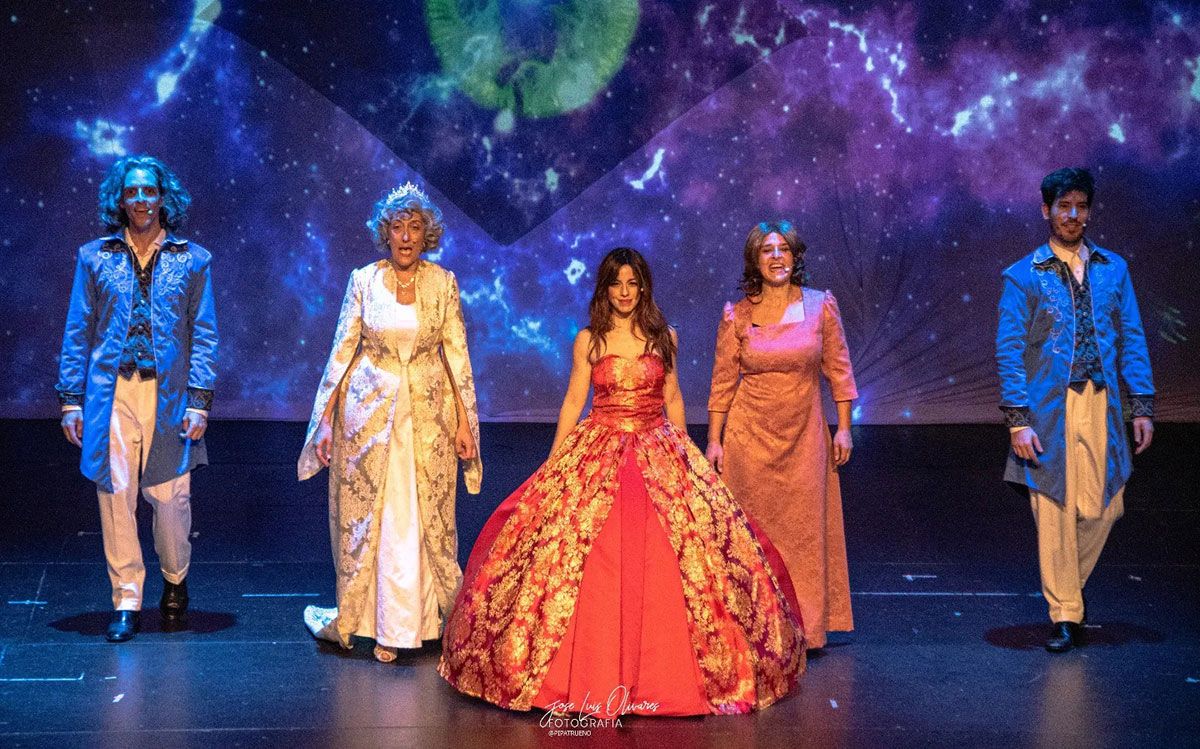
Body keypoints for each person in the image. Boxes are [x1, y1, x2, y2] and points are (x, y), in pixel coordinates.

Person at [439, 248, 802, 717]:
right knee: (581, 551)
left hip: (658, 446)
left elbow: (673, 398)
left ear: (643, 287)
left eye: (633, 283)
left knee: (681, 553)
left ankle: (670, 673)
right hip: (600, 446)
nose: (625, 292)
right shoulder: (589, 340)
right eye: (617, 283)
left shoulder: (664, 337)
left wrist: (689, 460)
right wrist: (554, 464)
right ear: (605, 289)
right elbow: (574, 401)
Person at [299, 182, 482, 663]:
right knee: (378, 518)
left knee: (420, 514)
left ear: (426, 235)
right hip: (370, 417)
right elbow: (342, 351)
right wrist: (324, 422)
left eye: (414, 227)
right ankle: (379, 623)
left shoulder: (443, 283)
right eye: (398, 227)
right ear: (387, 233)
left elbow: (457, 356)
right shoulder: (364, 280)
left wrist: (465, 424)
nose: (405, 237)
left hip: (428, 418)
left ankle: (421, 622)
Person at [56, 155, 218, 642]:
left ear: (163, 198)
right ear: (121, 200)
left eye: (149, 190)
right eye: (132, 192)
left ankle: (175, 577)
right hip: (112, 392)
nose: (141, 199)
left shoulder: (193, 259)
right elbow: (78, 329)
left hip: (169, 395)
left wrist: (199, 400)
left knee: (170, 499)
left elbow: (204, 333)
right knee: (116, 495)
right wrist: (71, 399)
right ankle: (126, 597)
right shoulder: (95, 257)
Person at [996, 167, 1155, 653]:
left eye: (1081, 207)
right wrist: (1018, 420)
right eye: (1063, 206)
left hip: (1102, 402)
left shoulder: (1113, 268)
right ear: (1046, 210)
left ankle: (1070, 590)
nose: (1072, 215)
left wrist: (1141, 405)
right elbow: (1009, 349)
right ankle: (1065, 611)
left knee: (1107, 505)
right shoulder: (1024, 274)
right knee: (1054, 509)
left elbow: (1132, 336)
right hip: (1049, 406)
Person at [705, 221, 858, 650]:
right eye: (767, 250)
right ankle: (753, 626)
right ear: (755, 260)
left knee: (804, 532)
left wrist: (844, 429)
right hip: (749, 439)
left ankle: (805, 628)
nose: (777, 257)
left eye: (784, 249)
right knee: (753, 532)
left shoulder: (821, 306)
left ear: (795, 257)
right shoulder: (737, 314)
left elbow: (839, 371)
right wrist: (715, 440)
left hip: (804, 436)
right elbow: (722, 383)